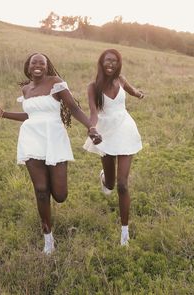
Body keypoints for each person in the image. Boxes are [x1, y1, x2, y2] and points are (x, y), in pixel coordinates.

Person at [0, 52, 102, 254]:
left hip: (54, 138)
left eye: (42, 63)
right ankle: (48, 239)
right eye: (34, 63)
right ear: (28, 66)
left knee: (59, 195)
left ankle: (51, 181)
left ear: (47, 66)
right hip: (31, 139)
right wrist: (4, 114)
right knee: (41, 191)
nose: (38, 65)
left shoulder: (56, 83)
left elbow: (74, 109)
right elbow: (30, 115)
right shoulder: (26, 89)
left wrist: (90, 127)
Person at [83, 48, 144, 246]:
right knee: (109, 184)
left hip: (125, 128)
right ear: (101, 63)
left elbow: (132, 90)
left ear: (119, 64)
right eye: (108, 60)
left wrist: (138, 94)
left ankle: (124, 234)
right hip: (105, 132)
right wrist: (92, 128)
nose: (111, 64)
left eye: (115, 61)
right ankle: (103, 177)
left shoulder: (121, 80)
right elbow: (93, 112)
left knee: (122, 184)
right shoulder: (93, 87)